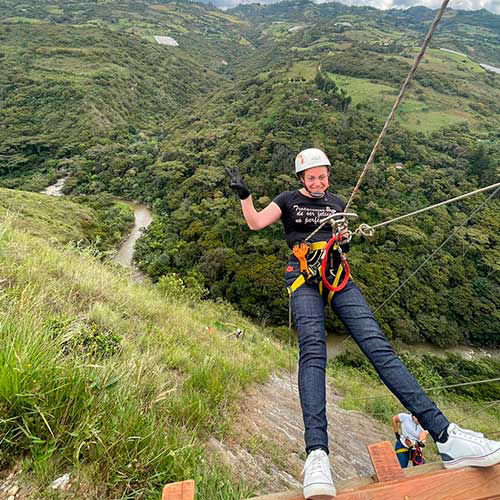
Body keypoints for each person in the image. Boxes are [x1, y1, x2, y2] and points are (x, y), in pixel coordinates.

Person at [226, 147, 500, 500]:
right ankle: (316, 455)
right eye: (311, 177)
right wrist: (246, 197)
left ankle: (445, 436)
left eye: (322, 175)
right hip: (303, 278)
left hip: (337, 275)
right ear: (300, 179)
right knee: (313, 350)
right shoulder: (288, 200)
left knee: (377, 347)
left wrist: (343, 239)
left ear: (328, 174)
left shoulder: (338, 203)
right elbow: (256, 223)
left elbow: (341, 245)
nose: (318, 182)